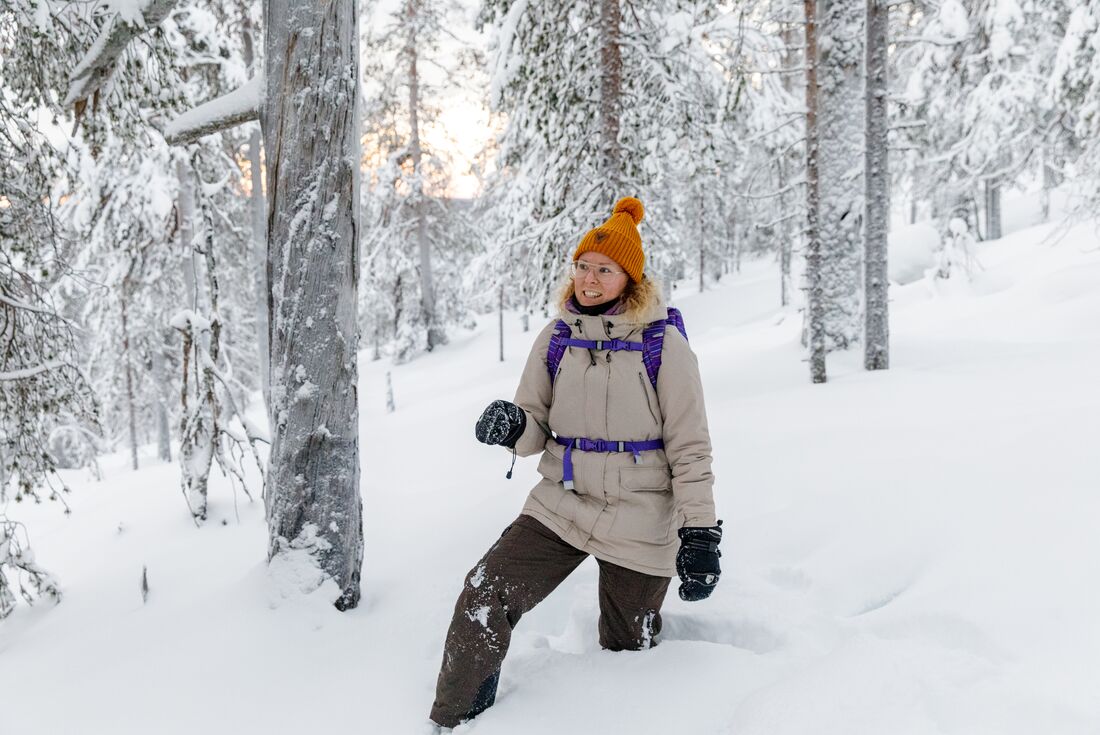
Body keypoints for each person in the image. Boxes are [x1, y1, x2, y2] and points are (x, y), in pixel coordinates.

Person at [428, 197, 721, 730]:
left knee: (626, 645)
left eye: (604, 269)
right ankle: (454, 721)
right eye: (583, 266)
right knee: (483, 593)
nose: (589, 278)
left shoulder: (664, 345)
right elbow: (535, 423)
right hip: (562, 502)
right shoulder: (558, 336)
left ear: (629, 278)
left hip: (642, 512)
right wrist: (513, 428)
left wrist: (699, 533)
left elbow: (691, 447)